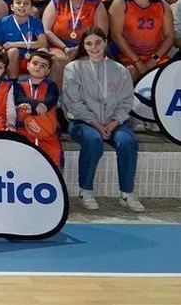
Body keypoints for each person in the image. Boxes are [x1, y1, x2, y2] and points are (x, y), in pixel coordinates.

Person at [61, 28, 143, 213]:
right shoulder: (73, 68)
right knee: (93, 140)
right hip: (83, 122)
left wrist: (114, 122)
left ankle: (126, 193)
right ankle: (86, 190)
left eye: (98, 42)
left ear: (105, 43)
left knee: (128, 142)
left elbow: (126, 101)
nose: (94, 47)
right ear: (83, 45)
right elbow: (73, 102)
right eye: (88, 43)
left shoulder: (120, 70)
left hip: (113, 122)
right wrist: (95, 123)